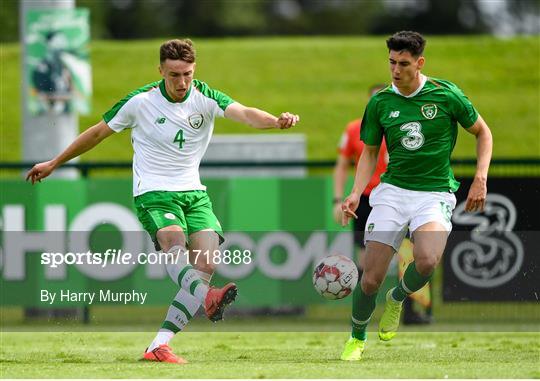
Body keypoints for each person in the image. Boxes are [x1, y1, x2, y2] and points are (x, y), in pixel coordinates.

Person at [26, 38, 300, 364]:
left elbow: (244, 113)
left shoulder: (206, 97)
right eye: (174, 75)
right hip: (153, 191)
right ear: (160, 71)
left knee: (207, 265)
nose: (182, 82)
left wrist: (274, 121)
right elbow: (97, 133)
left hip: (194, 193)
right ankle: (208, 297)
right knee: (174, 246)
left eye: (187, 74)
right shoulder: (140, 102)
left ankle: (159, 345)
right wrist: (55, 162)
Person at [340, 31, 492, 361]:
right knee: (370, 279)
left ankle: (398, 296)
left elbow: (483, 132)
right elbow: (368, 153)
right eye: (392, 62)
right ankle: (356, 338)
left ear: (419, 63)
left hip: (434, 193)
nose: (395, 70)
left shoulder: (445, 94)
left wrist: (480, 178)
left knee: (426, 260)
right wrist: (354, 193)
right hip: (392, 193)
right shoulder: (380, 102)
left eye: (403, 63)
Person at [333, 85, 431, 338]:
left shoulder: (405, 122)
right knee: (367, 262)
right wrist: (338, 198)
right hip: (367, 199)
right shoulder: (355, 129)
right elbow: (342, 164)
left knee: (411, 256)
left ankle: (409, 309)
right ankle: (363, 311)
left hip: (400, 196)